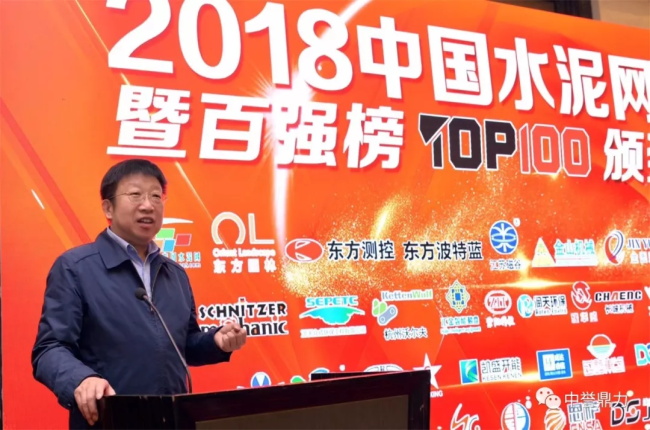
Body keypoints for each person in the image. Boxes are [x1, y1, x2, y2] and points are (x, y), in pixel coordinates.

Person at [32, 159, 247, 429]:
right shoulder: (75, 268)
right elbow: (50, 349)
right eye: (135, 195)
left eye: (156, 196)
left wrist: (216, 341)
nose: (148, 205)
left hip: (173, 419)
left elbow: (184, 345)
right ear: (108, 208)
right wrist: (81, 379)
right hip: (109, 420)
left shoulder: (175, 273)